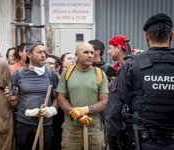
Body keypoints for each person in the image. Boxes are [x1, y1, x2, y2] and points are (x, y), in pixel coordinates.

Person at [105, 13, 174, 150]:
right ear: (172, 36)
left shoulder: (132, 64)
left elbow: (114, 108)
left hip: (142, 140)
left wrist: (113, 141)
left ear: (146, 37)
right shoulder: (131, 63)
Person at [5, 41, 59, 150]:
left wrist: (52, 109)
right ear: (29, 55)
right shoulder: (16, 73)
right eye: (39, 52)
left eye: (44, 52)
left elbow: (57, 97)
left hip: (46, 123)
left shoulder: (51, 74)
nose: (43, 55)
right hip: (24, 123)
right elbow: (12, 102)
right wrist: (11, 98)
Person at [57, 42, 109, 149]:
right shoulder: (67, 73)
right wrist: (75, 112)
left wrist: (86, 109)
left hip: (94, 128)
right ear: (76, 55)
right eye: (86, 52)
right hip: (71, 128)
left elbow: (104, 102)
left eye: (91, 53)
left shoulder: (99, 74)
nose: (90, 55)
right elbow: (61, 98)